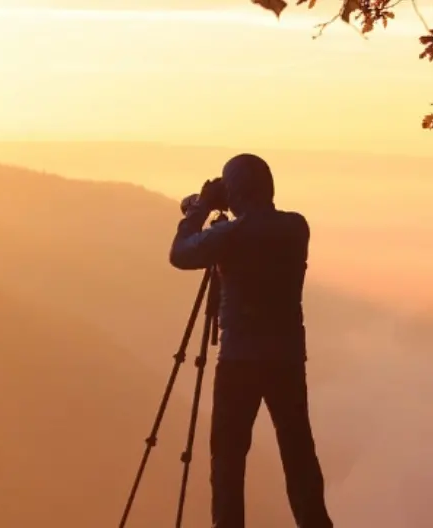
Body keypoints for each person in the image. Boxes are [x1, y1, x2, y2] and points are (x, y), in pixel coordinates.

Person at [169, 153, 334, 528]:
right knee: (298, 454)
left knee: (228, 460)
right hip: (287, 358)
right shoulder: (296, 228)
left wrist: (201, 207)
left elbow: (179, 254)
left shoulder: (229, 236)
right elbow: (258, 227)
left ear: (236, 190)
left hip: (239, 361)